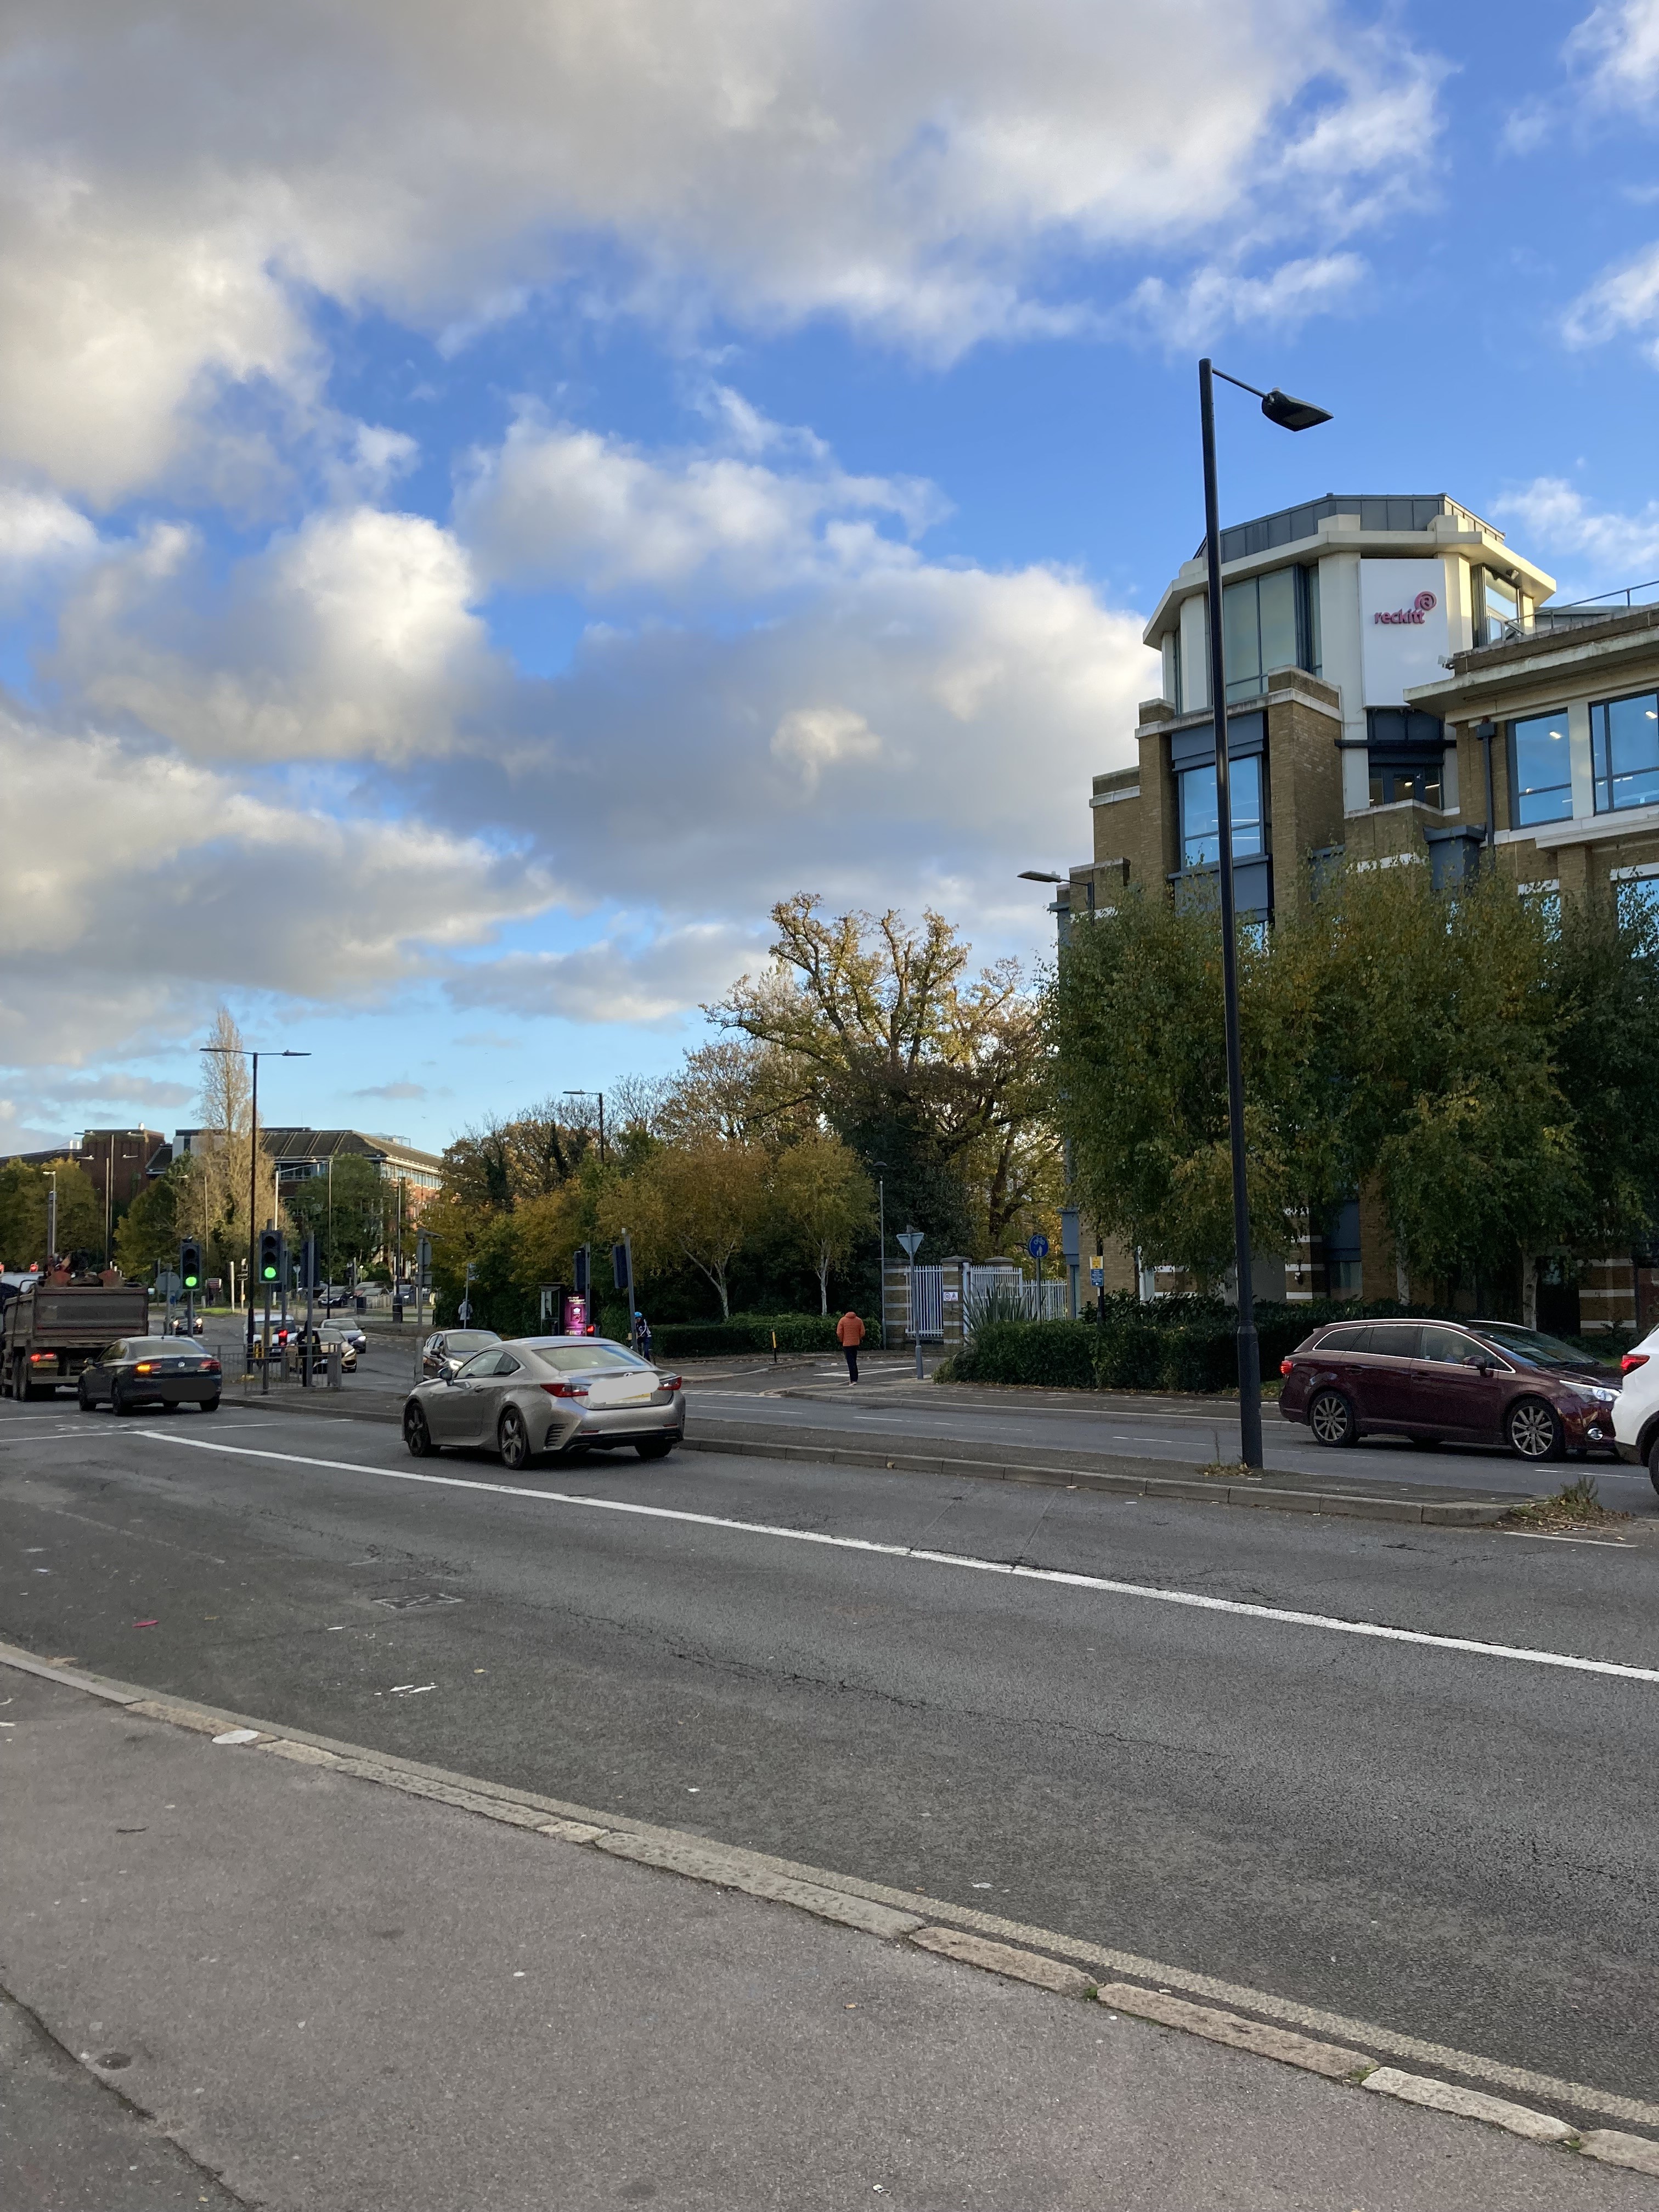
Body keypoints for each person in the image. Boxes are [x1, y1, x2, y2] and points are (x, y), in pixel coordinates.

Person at [836, 1307, 865, 1383]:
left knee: (850, 1362)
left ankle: (853, 1379)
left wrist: (842, 1340)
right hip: (856, 1343)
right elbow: (862, 1333)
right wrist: (858, 1338)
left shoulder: (843, 1320)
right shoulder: (859, 1320)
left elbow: (839, 1333)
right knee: (854, 1361)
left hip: (846, 1344)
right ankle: (856, 1378)